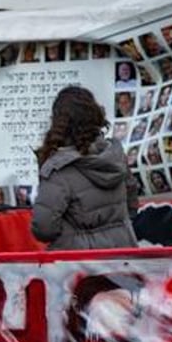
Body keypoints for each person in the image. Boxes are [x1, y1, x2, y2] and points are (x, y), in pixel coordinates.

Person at [30, 86, 138, 250]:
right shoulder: (116, 155)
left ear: (59, 122)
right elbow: (132, 202)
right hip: (124, 255)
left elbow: (44, 229)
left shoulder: (59, 169)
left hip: (79, 265)